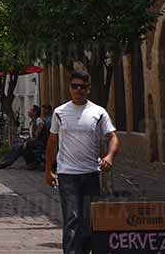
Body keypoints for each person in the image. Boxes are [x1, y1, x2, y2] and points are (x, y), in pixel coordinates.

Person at [46, 70, 119, 254]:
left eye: (82, 86)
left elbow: (113, 137)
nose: (78, 90)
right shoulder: (59, 112)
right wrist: (48, 170)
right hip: (67, 175)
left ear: (88, 88)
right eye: (74, 86)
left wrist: (110, 156)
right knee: (72, 218)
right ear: (70, 88)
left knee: (88, 221)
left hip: (91, 174)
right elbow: (52, 142)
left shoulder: (98, 112)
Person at [0, 104, 49, 170]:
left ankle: (5, 163)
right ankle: (3, 162)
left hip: (39, 143)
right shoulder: (31, 122)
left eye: (30, 110)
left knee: (21, 146)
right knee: (16, 145)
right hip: (33, 143)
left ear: (35, 112)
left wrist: (36, 134)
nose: (28, 111)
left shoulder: (38, 119)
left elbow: (41, 125)